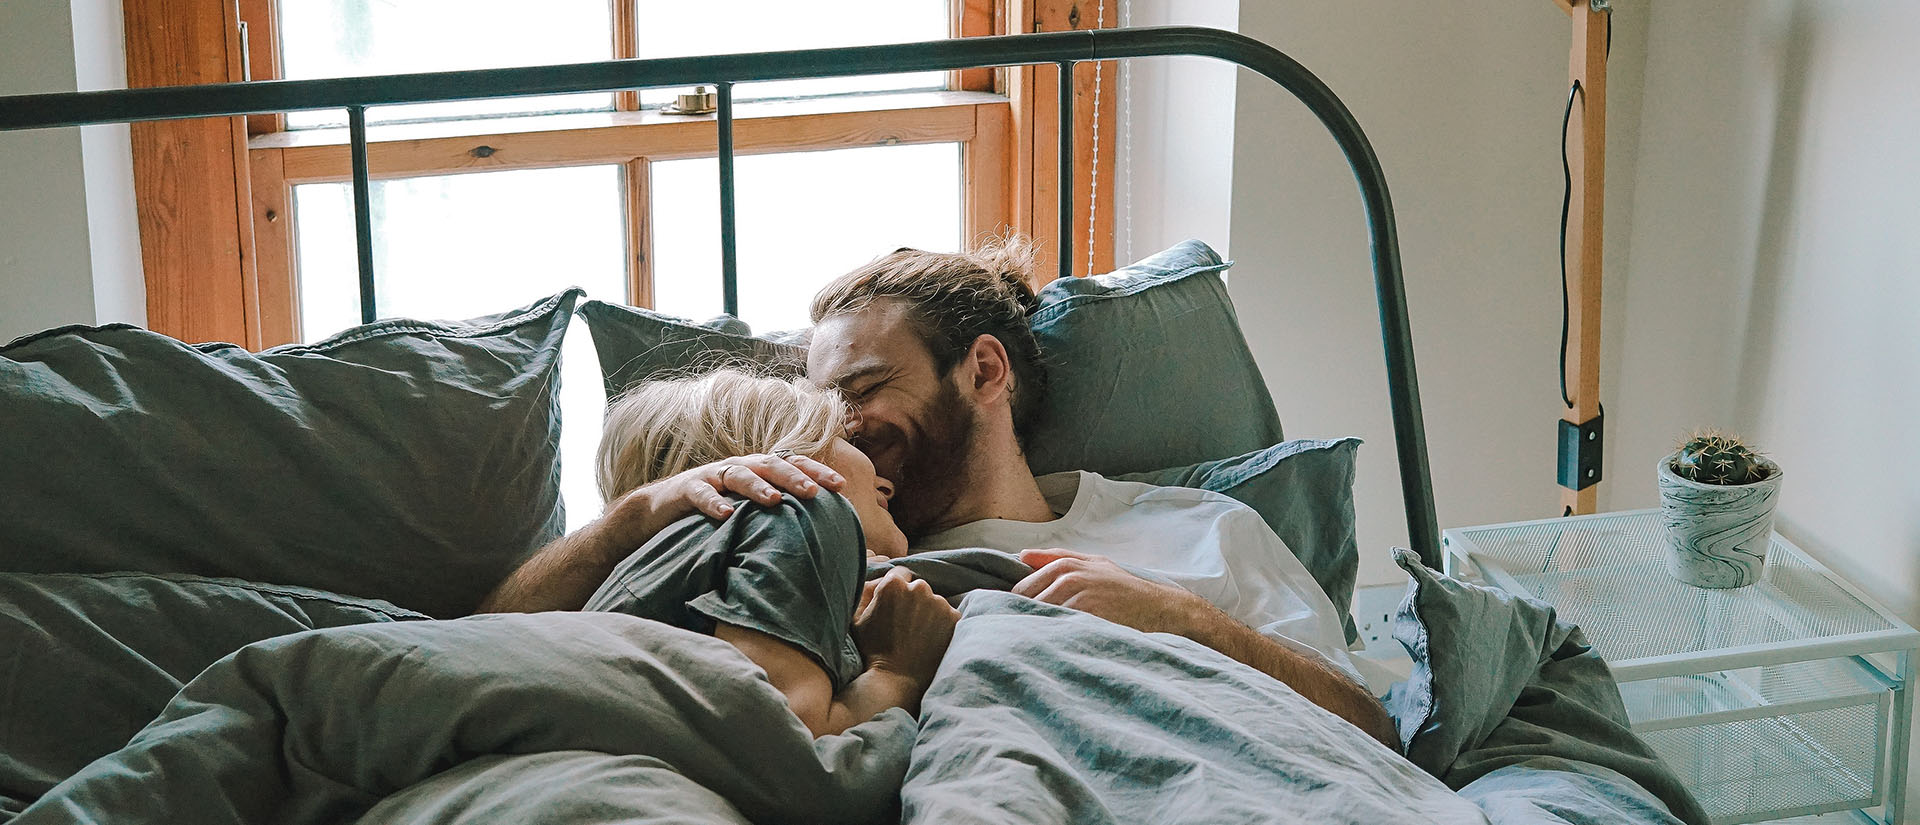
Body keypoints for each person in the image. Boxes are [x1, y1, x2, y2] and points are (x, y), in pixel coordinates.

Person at [484, 238, 1398, 749]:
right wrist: (634, 517)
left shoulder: (1200, 531)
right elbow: (499, 644)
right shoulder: (811, 535)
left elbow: (1376, 732)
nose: (838, 426)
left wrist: (1184, 620)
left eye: (862, 389)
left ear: (984, 371)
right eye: (819, 407)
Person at [484, 368, 958, 739]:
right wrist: (897, 674)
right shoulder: (792, 513)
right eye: (846, 441)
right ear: (783, 454)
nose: (885, 480)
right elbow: (792, 751)